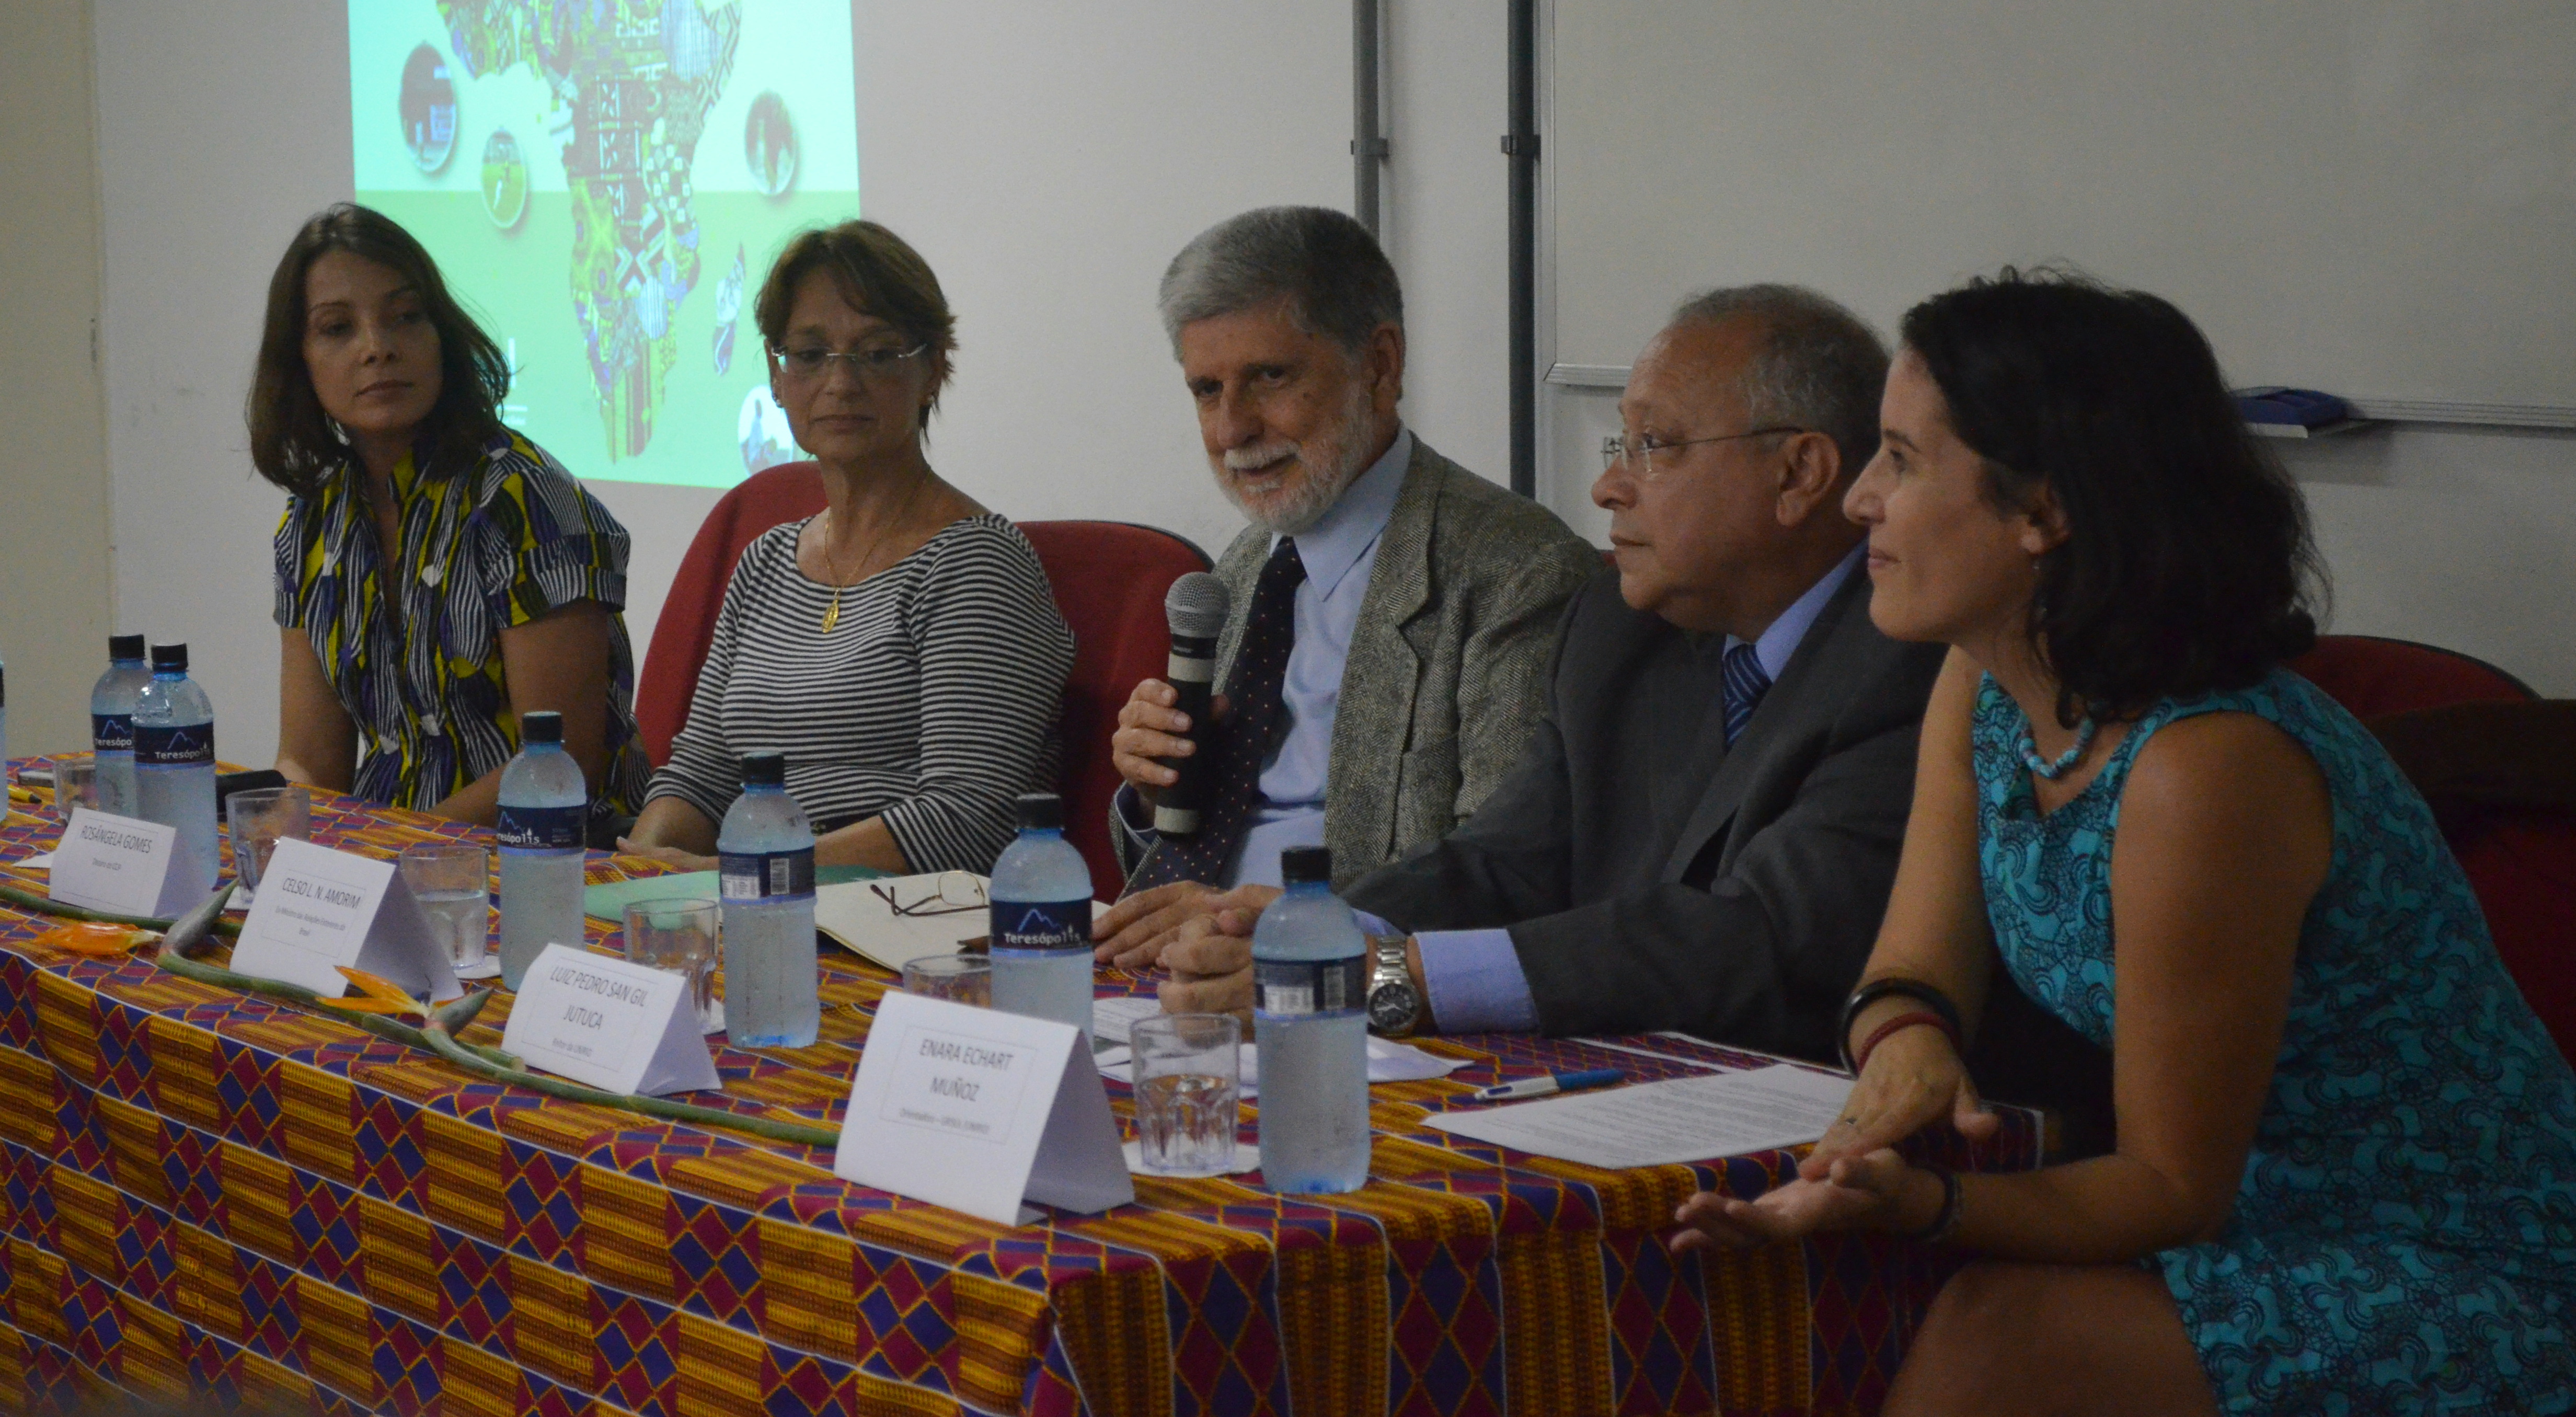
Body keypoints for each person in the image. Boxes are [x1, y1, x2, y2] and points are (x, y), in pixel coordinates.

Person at [1668, 271, 2576, 1413]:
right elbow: (1912, 965)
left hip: (2452, 1258)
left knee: (1996, 1335)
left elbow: (2170, 1189)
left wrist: (1924, 1204)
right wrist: (1905, 1039)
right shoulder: (1982, 679)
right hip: (2247, 1229)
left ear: (2041, 512)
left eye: (1899, 459)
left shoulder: (2206, 770)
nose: (1858, 500)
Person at [1155, 286, 1951, 1065]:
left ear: (1798, 473)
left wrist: (1393, 977)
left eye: (1653, 445)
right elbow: (1504, 859)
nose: (1608, 486)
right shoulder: (1621, 628)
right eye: (1618, 445)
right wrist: (1323, 930)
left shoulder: (1913, 661)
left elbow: (1762, 936)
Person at [1091, 205, 1599, 962]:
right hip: (1181, 967)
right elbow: (1190, 853)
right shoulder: (1239, 570)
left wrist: (1297, 928)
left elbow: (1506, 874)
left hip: (1343, 986)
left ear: (1380, 367)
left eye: (1270, 377)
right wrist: (1156, 792)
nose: (1231, 430)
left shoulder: (1517, 573)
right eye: (1206, 390)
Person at [622, 221, 1073, 875]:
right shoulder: (765, 561)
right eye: (809, 354)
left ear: (933, 370)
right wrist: (642, 870)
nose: (840, 382)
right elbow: (702, 773)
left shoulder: (976, 565)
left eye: (878, 354)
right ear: (776, 377)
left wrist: (744, 875)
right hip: (750, 899)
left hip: (893, 916)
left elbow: (966, 821)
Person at [254, 204, 649, 834]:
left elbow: (558, 765)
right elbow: (309, 761)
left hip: (549, 853)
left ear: (442, 334)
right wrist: (275, 828)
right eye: (337, 328)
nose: (378, 348)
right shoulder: (312, 522)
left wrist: (387, 846)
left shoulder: (522, 498)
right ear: (298, 361)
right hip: (389, 848)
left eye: (406, 317)